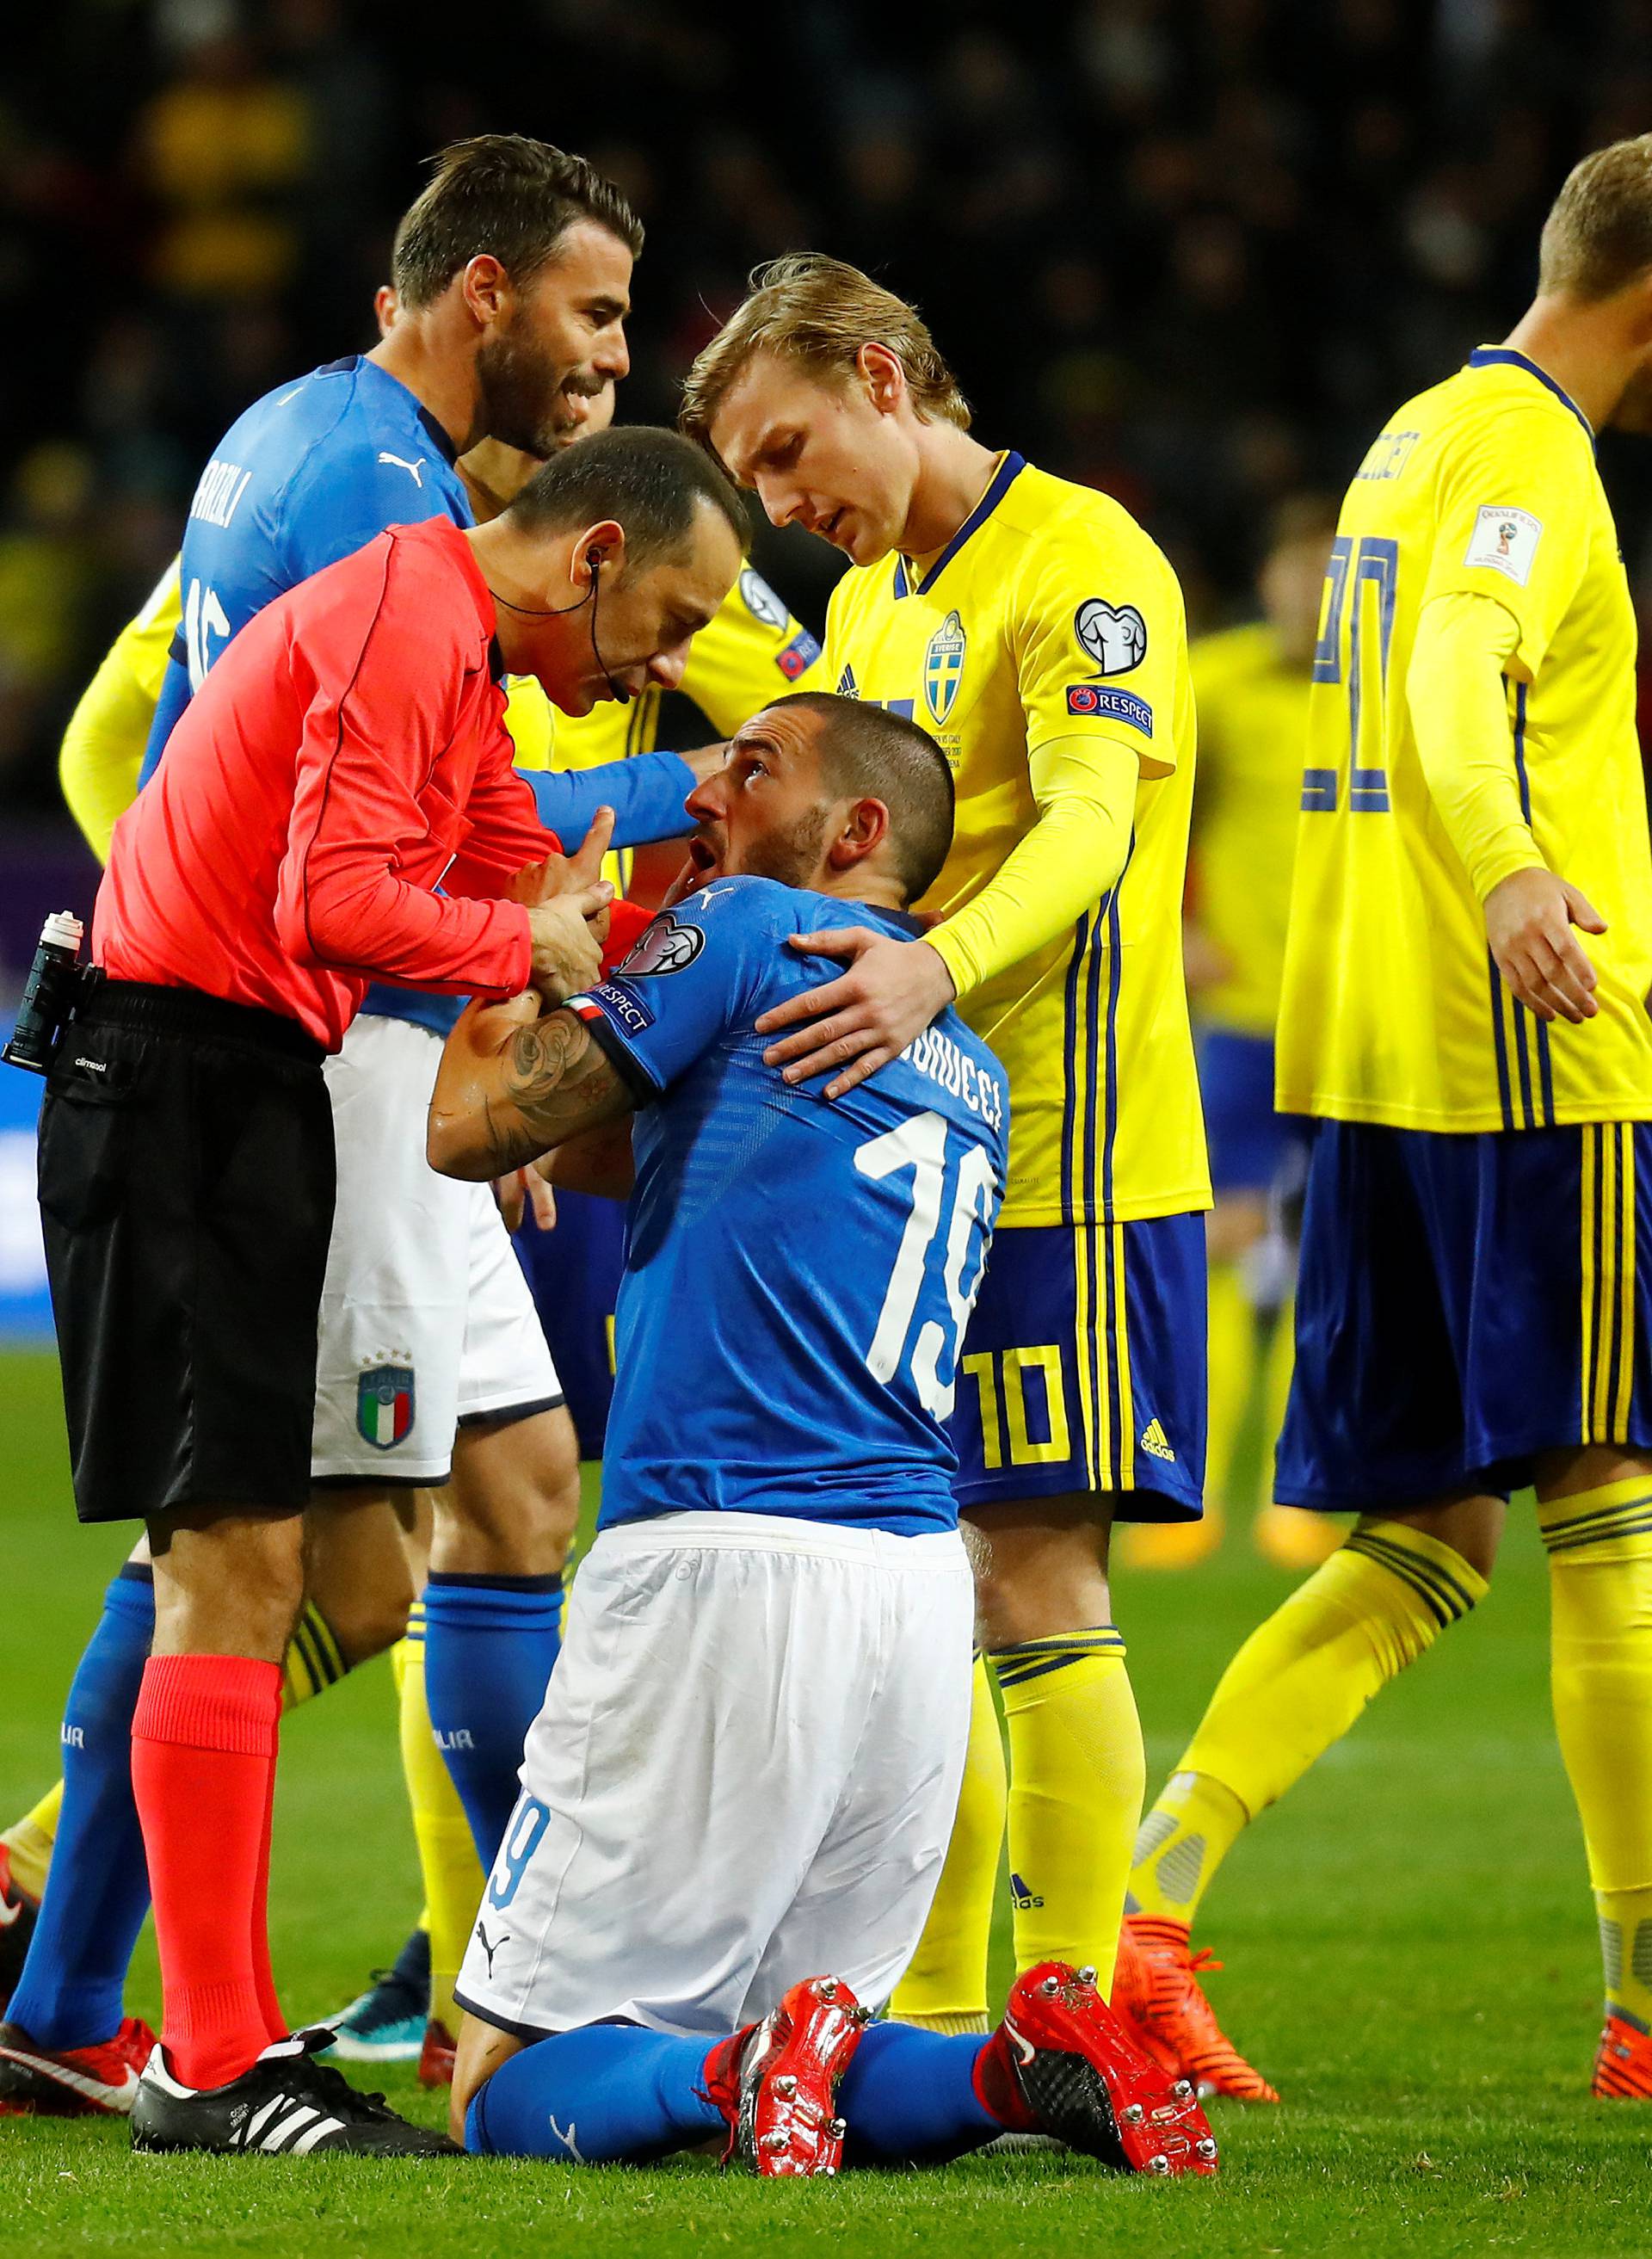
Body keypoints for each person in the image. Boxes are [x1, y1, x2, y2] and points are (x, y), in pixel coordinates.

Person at [0, 142, 711, 2117]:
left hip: (255, 1055)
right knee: (251, 1557)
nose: (667, 661)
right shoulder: (389, 528)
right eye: (592, 309)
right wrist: (522, 942)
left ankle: (94, 1983)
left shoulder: (311, 465)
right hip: (264, 1065)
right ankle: (154, 2019)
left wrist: (659, 878)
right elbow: (361, 883)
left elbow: (464, 816)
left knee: (351, 1559)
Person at [419, 691, 1216, 2180]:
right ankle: (1020, 2066)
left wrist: (528, 946)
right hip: (913, 1592)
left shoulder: (735, 927)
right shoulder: (961, 1065)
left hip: (719, 1554)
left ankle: (726, 2074)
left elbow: (467, 1126)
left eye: (758, 763)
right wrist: (545, 1093)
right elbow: (634, 1139)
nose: (714, 783)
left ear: (856, 833)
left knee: (499, 2078)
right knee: (821, 2023)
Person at [1119, 134, 1652, 2107]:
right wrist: (1517, 871)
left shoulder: (1406, 443)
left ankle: (1148, 1911)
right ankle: (1640, 2015)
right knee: (1610, 1509)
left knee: (1421, 1540)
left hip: (1370, 1066)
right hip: (1523, 1048)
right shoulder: (1529, 461)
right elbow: (1453, 680)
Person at [680, 256, 1209, 2037]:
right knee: (924, 1583)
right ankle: (943, 2016)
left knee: (1032, 1565)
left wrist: (935, 969)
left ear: (888, 378)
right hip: (910, 1189)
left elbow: (1094, 826)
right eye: (754, 477)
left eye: (787, 446)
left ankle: (1073, 2010)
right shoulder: (883, 607)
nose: (782, 496)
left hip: (1072, 1153)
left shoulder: (1085, 559)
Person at [1125, 496, 1340, 1576]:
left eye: (1331, 580)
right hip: (1248, 1011)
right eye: (1296, 580)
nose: (1310, 600)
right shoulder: (1215, 682)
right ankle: (1195, 1484)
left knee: (1330, 1247)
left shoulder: (1383, 691)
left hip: (1356, 1013)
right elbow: (1144, 806)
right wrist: (1181, 926)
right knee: (1226, 1235)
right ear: (1268, 586)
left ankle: (1301, 1489)